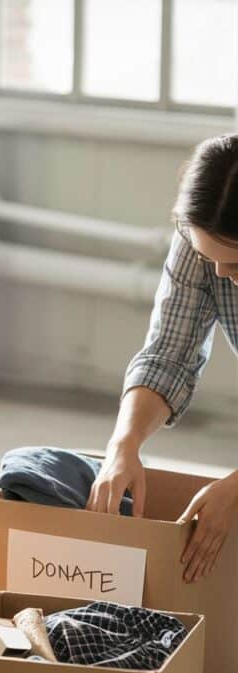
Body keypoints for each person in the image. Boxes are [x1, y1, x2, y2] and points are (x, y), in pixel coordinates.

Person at [87, 134, 238, 584]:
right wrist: (124, 443)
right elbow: (169, 354)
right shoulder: (203, 238)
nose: (221, 276)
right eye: (210, 258)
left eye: (237, 265)